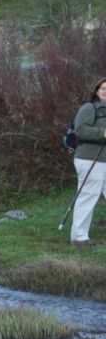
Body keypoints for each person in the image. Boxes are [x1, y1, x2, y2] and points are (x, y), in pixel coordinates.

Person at [71, 77, 106, 245]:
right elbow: (80, 130)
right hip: (90, 159)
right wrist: (102, 133)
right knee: (88, 196)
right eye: (103, 88)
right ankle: (79, 237)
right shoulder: (89, 108)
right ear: (97, 91)